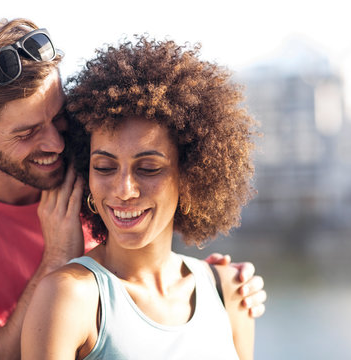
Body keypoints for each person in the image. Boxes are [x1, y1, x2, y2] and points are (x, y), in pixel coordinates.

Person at [0, 18, 266, 359]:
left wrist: (215, 287)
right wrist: (56, 261)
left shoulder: (92, 165)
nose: (56, 143)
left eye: (59, 116)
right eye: (27, 133)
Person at [21, 35, 259, 359]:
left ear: (190, 175)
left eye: (148, 168)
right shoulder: (70, 297)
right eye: (104, 167)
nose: (124, 190)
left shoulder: (230, 290)